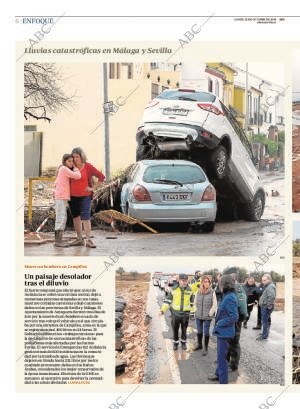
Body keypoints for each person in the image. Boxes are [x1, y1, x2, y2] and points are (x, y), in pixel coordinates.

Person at [69, 147, 105, 248]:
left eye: (77, 156)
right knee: (76, 217)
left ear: (82, 157)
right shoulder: (70, 167)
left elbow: (101, 176)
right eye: (73, 157)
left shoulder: (88, 167)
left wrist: (93, 188)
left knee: (85, 216)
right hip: (72, 196)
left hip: (85, 196)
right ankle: (79, 239)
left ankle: (89, 240)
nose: (75, 159)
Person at [208, 275, 238, 384]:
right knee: (221, 356)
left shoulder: (230, 297)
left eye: (220, 283)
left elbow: (234, 317)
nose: (218, 285)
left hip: (224, 333)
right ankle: (218, 374)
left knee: (222, 359)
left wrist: (220, 322)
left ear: (225, 284)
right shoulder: (227, 295)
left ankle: (223, 382)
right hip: (223, 332)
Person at [222, 267, 248, 372]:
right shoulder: (229, 287)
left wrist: (240, 320)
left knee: (235, 342)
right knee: (228, 340)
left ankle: (234, 365)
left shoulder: (237, 288)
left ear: (232, 276)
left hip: (235, 320)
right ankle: (226, 360)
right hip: (228, 319)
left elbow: (242, 309)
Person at [160, 274, 194, 350]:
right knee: (175, 329)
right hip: (175, 314)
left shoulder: (190, 290)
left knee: (184, 329)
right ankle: (175, 343)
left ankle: (183, 343)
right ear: (179, 281)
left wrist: (192, 313)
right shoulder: (173, 289)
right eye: (183, 281)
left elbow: (192, 302)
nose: (185, 282)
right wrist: (162, 310)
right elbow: (167, 301)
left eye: (186, 281)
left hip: (185, 314)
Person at [54, 154, 81, 247]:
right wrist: (75, 167)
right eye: (69, 161)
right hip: (61, 196)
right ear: (64, 162)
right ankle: (58, 241)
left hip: (62, 196)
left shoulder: (62, 169)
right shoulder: (64, 169)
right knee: (61, 218)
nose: (71, 163)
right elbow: (78, 176)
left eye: (72, 161)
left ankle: (59, 240)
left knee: (62, 217)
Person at [194, 275, 217, 355]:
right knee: (199, 331)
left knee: (206, 332)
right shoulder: (198, 292)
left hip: (207, 316)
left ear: (210, 283)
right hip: (198, 315)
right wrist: (195, 310)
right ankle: (199, 345)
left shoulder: (212, 292)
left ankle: (205, 348)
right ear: (202, 282)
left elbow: (215, 304)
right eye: (205, 281)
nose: (206, 283)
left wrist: (210, 313)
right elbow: (195, 302)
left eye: (208, 282)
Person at [256, 274, 276, 341]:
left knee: (264, 321)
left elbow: (272, 297)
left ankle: (264, 336)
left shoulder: (270, 286)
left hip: (266, 307)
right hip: (264, 306)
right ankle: (264, 333)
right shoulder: (268, 286)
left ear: (269, 280)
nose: (263, 282)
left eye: (264, 280)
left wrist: (268, 305)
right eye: (262, 280)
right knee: (265, 321)